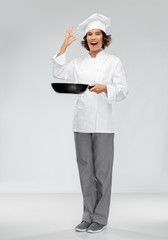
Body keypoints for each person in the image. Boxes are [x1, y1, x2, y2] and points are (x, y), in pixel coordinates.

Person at [51, 13, 128, 233]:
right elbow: (59, 72)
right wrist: (64, 46)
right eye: (90, 34)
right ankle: (87, 216)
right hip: (81, 123)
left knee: (102, 172)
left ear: (104, 38)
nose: (94, 37)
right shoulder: (78, 63)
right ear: (86, 40)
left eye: (98, 34)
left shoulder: (114, 62)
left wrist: (106, 88)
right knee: (85, 171)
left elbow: (123, 90)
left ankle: (101, 218)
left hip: (104, 124)